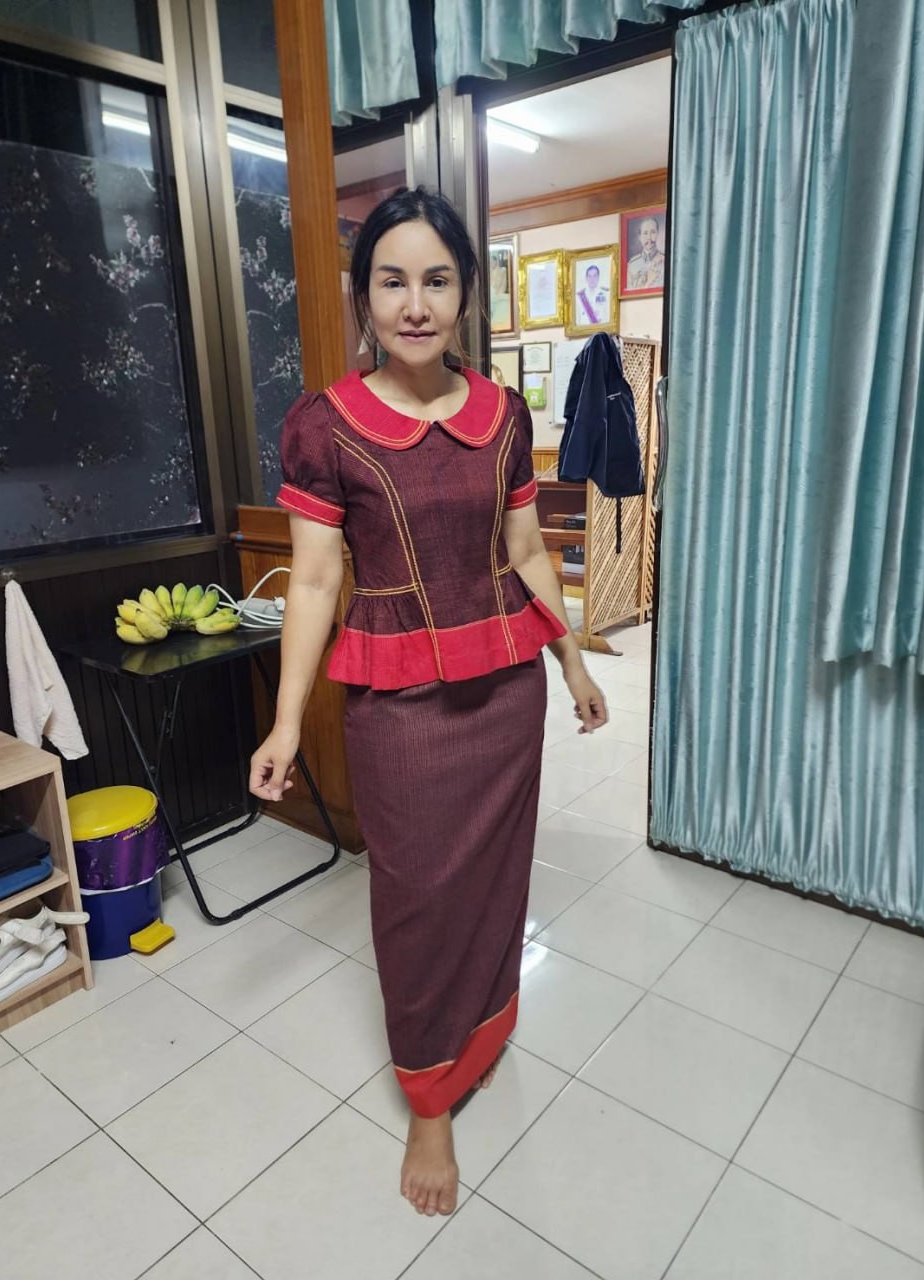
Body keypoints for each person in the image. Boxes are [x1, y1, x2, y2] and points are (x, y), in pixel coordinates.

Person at [249, 186, 608, 1220]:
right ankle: (429, 1100)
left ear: (465, 295)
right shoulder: (324, 426)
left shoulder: (504, 416)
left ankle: (483, 1031)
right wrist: (287, 720)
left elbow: (527, 553)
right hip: (397, 708)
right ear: (363, 297)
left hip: (507, 694)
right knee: (414, 899)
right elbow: (317, 580)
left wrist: (573, 665)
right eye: (392, 281)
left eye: (437, 281)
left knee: (497, 877)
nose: (416, 304)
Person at [626, 215, 666, 291]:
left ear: (657, 233)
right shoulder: (632, 264)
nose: (649, 237)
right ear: (639, 237)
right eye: (645, 233)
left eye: (653, 232)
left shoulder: (666, 261)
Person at [575, 262, 610, 326]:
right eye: (590, 276)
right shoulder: (579, 296)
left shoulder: (606, 294)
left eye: (594, 276)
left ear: (598, 277)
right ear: (586, 278)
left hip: (602, 329)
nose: (592, 279)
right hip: (585, 330)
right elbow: (577, 320)